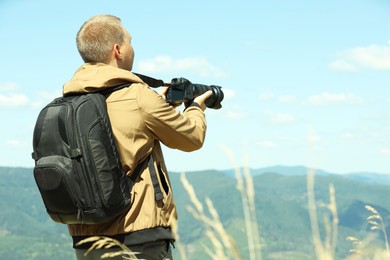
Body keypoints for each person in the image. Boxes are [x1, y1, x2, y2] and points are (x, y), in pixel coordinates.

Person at [63, 14, 212, 260]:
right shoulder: (139, 97)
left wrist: (159, 104)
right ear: (118, 50)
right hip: (138, 241)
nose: (133, 47)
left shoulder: (70, 101)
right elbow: (191, 138)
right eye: (130, 41)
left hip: (85, 242)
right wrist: (195, 108)